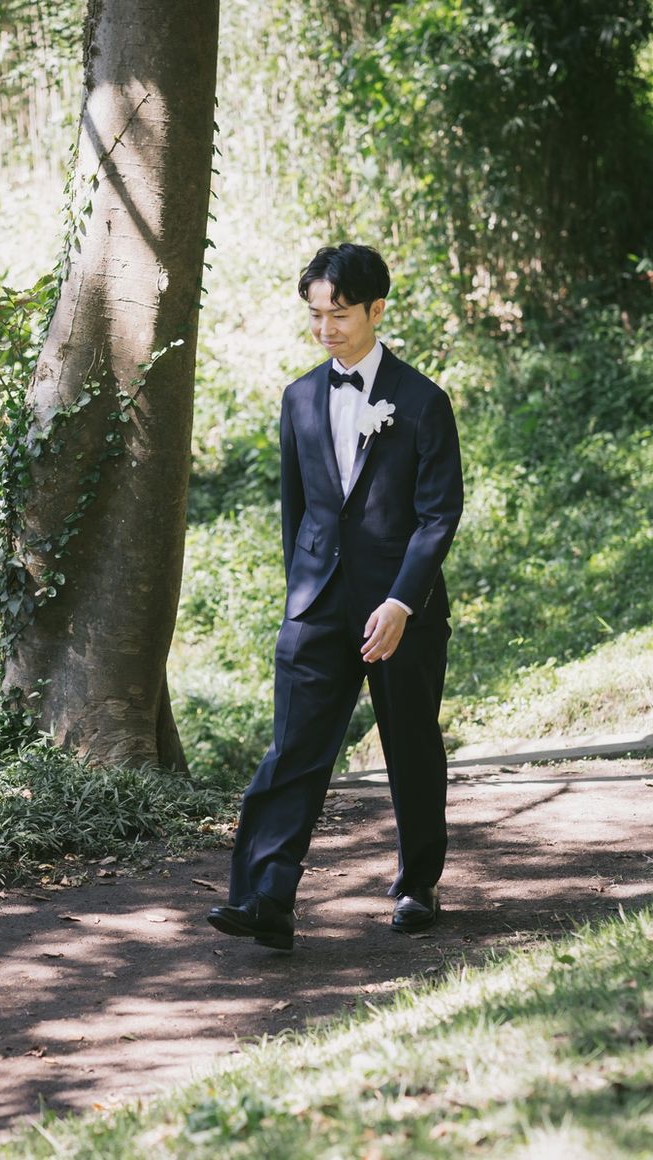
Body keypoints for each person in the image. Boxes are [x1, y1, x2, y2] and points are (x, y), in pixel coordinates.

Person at [207, 243, 463, 952]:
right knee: (293, 749)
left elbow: (439, 514)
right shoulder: (297, 398)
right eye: (316, 314)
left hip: (401, 612)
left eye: (340, 314)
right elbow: (297, 512)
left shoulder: (423, 402)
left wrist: (403, 602)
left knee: (411, 746)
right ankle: (266, 897)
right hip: (316, 606)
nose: (325, 329)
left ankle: (418, 884)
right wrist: (299, 598)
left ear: (376, 310)